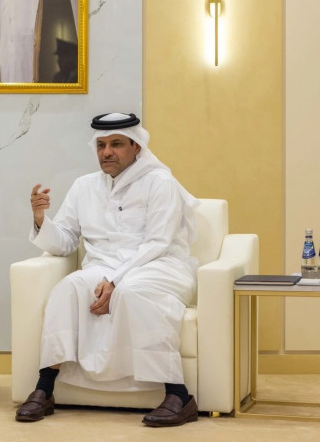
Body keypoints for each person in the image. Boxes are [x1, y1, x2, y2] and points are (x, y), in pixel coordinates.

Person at [16, 113, 200, 427]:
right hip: (102, 269)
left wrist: (115, 280)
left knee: (133, 290)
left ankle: (179, 395)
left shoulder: (160, 183)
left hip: (160, 266)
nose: (107, 152)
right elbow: (65, 242)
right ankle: (45, 388)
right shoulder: (84, 186)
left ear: (136, 146)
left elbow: (158, 242)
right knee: (68, 288)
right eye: (101, 145)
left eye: (116, 144)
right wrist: (41, 219)